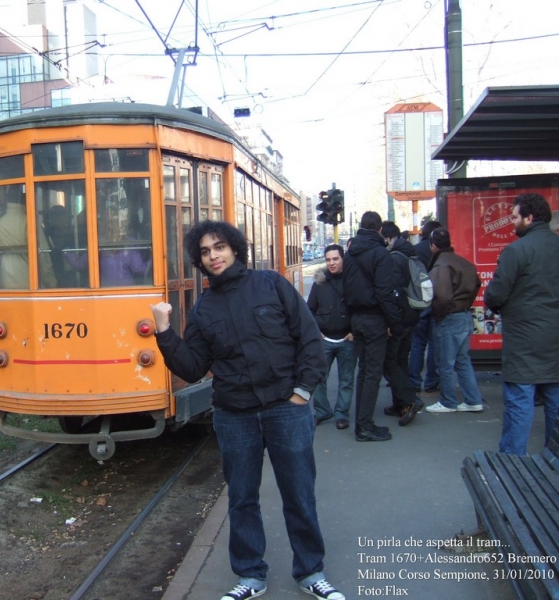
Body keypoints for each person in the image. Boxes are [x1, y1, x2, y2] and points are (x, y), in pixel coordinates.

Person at [150, 221, 343, 600]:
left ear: (235, 248)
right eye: (205, 252)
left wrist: (303, 391)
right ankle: (250, 576)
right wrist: (164, 330)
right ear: (199, 260)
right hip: (235, 415)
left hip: (285, 409)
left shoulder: (270, 284)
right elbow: (191, 367)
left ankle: (311, 571)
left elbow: (308, 336)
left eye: (219, 247)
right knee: (241, 498)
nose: (213, 256)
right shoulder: (204, 307)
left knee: (299, 494)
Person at [484, 193, 559, 455]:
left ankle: (513, 465)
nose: (512, 222)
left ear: (529, 218)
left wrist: (500, 307)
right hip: (555, 341)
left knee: (519, 404)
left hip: (524, 341)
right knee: (556, 405)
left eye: (515, 217)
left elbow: (495, 294)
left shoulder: (516, 250)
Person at [343, 211, 404, 441]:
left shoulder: (349, 254)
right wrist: (393, 322)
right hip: (375, 319)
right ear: (380, 230)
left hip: (357, 319)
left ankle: (362, 423)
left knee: (364, 372)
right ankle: (365, 427)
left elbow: (346, 290)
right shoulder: (380, 254)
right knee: (372, 374)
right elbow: (384, 293)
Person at [422, 228, 484, 413]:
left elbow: (441, 296)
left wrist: (439, 315)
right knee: (462, 360)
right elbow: (477, 283)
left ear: (433, 246)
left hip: (448, 317)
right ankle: (473, 399)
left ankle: (448, 401)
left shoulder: (440, 266)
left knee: (445, 363)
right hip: (464, 314)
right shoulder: (462, 263)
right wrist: (465, 303)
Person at [307, 244, 356, 430]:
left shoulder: (352, 281)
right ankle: (322, 411)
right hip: (324, 340)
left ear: (343, 259)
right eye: (328, 260)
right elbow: (309, 309)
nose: (331, 263)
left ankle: (341, 414)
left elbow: (359, 309)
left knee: (346, 380)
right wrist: (315, 331)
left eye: (335, 259)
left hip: (347, 340)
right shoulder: (319, 283)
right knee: (319, 378)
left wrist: (354, 332)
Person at [380, 221, 425, 423]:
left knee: (389, 362)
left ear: (388, 239)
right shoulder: (410, 254)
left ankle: (410, 398)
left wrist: (392, 321)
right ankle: (401, 405)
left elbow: (394, 292)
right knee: (400, 361)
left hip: (399, 319)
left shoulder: (393, 259)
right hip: (412, 315)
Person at [409, 220, 443, 394]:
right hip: (437, 301)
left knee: (417, 344)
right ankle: (431, 381)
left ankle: (414, 381)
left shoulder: (414, 252)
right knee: (434, 344)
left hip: (419, 303)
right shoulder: (440, 252)